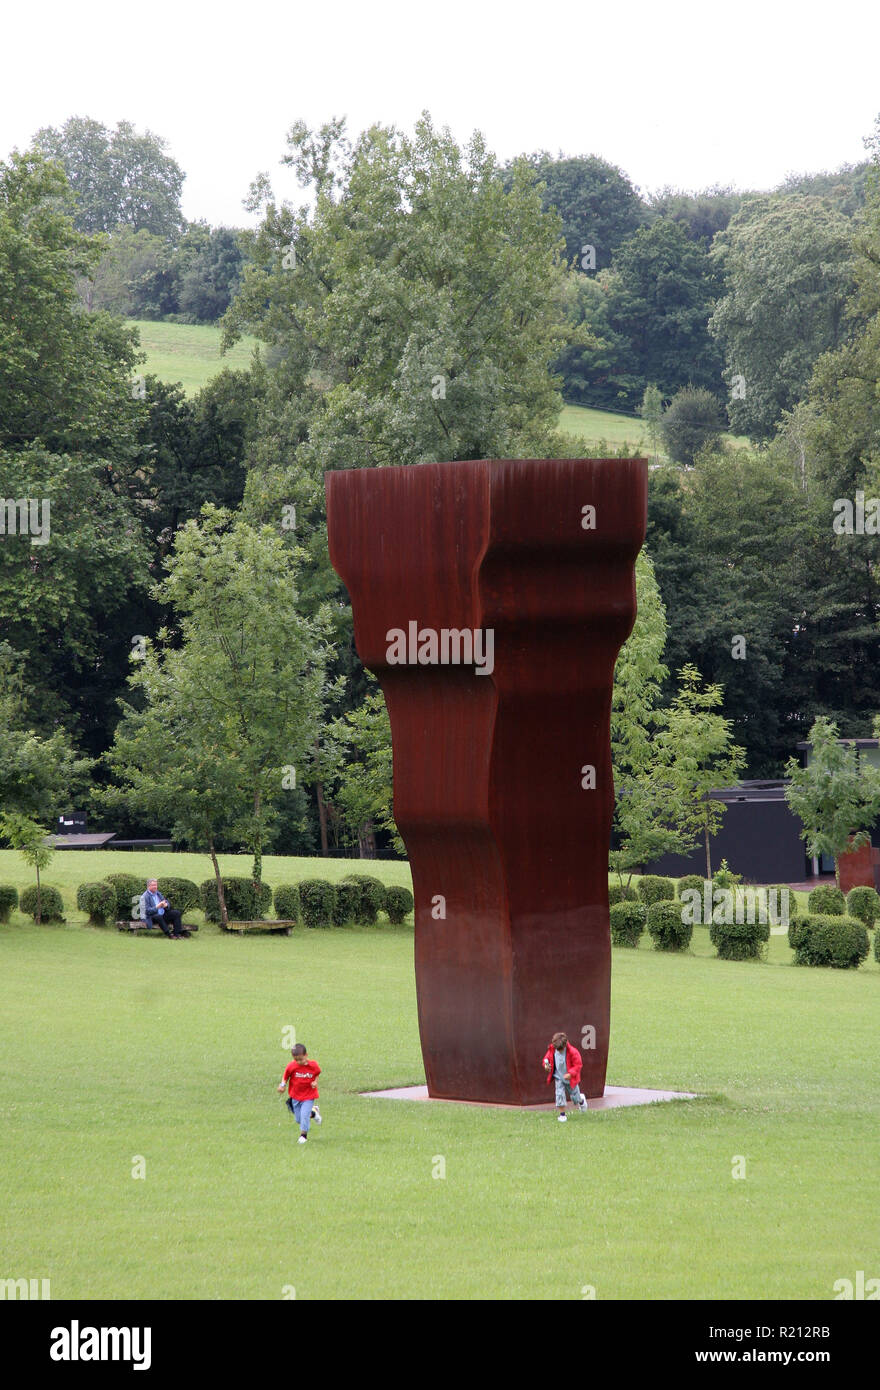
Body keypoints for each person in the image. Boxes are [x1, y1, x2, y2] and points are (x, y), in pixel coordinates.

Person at [278, 1043, 322, 1144]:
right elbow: (285, 1076)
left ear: (306, 1055)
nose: (299, 1062)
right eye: (296, 1060)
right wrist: (282, 1085)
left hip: (308, 1096)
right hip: (296, 1096)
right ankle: (314, 1112)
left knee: (304, 1116)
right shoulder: (291, 1066)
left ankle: (303, 1136)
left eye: (301, 1059)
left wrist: (315, 1082)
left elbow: (317, 1074)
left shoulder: (313, 1065)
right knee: (299, 1119)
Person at [542, 1031, 589, 1122]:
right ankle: (562, 1115)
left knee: (575, 1097)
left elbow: (578, 1065)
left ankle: (581, 1100)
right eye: (557, 1049)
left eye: (560, 1049)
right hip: (558, 1077)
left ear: (565, 1045)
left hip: (570, 1079)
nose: (558, 1051)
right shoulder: (552, 1049)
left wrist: (571, 1074)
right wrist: (546, 1065)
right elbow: (546, 1059)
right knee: (559, 1094)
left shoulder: (573, 1052)